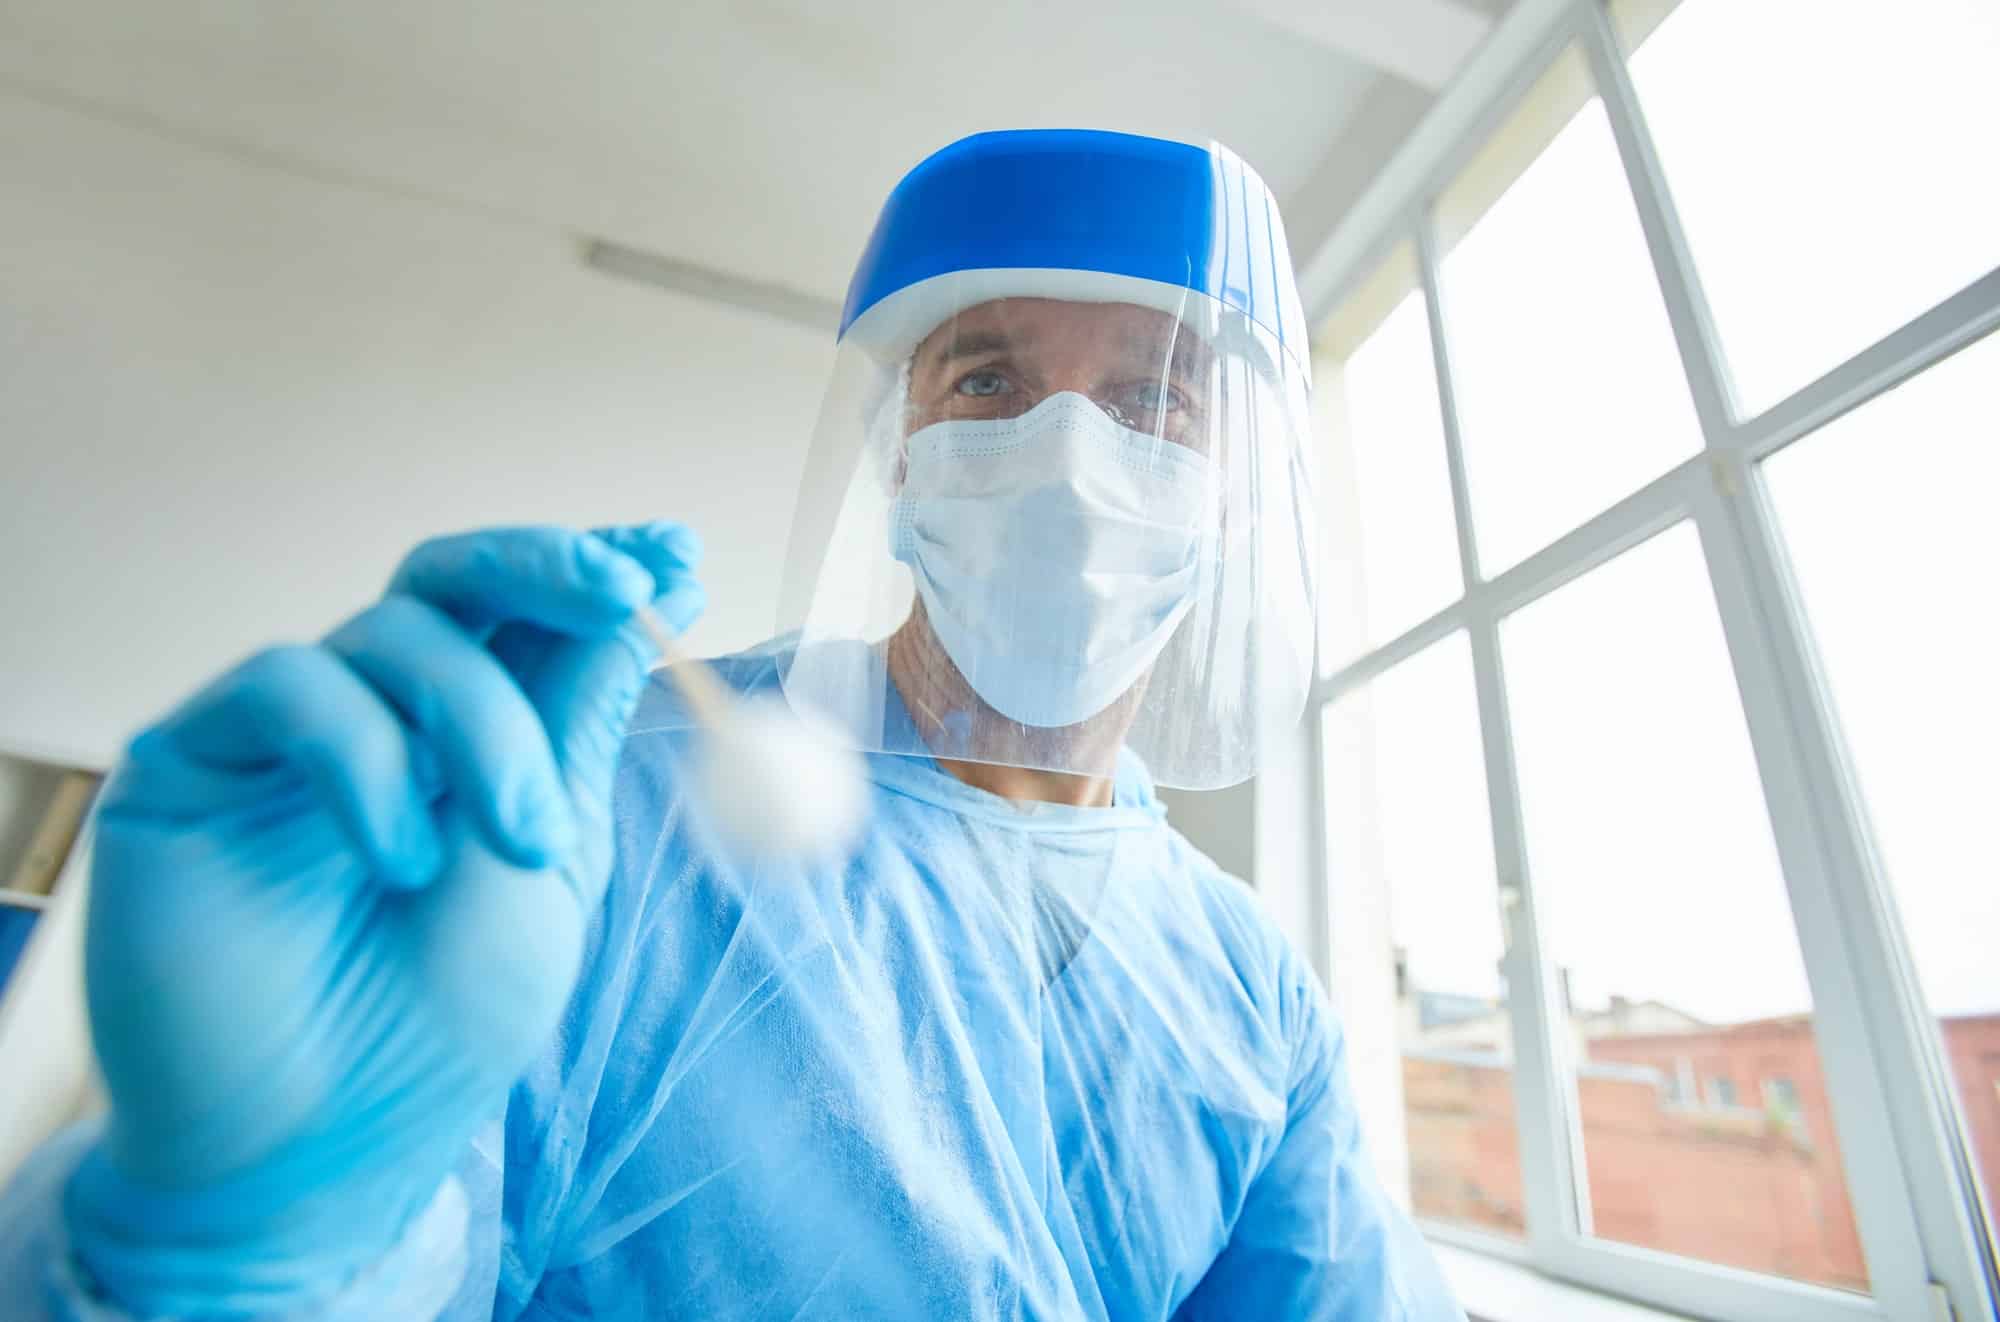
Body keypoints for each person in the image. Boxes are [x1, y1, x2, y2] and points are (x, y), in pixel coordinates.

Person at [0, 129, 1464, 1320]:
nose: (1072, 463)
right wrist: (223, 1248)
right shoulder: (592, 817)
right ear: (900, 459)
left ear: (1232, 496)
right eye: (990, 381)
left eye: (1154, 400)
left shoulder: (1251, 992)